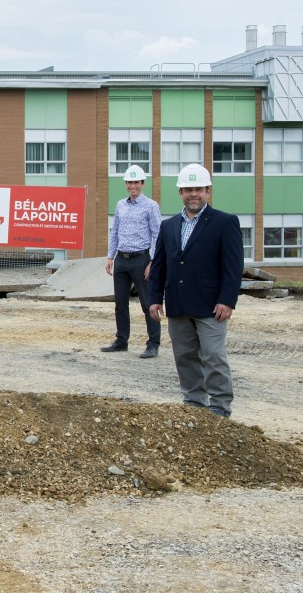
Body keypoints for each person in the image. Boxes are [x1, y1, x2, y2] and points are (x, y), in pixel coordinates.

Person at [149, 164, 243, 418]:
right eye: (188, 189)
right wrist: (155, 299)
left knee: (213, 356)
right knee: (185, 356)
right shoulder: (168, 226)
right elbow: (159, 265)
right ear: (180, 192)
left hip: (211, 306)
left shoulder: (225, 222)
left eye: (198, 189)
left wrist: (227, 300)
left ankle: (220, 406)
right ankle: (194, 402)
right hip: (178, 304)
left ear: (208, 191)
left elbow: (233, 267)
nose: (193, 194)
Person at [101, 165, 162, 358]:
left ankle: (153, 343)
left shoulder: (151, 205)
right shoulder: (120, 205)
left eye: (136, 182)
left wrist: (153, 261)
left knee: (147, 303)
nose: (132, 186)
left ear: (142, 183)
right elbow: (115, 232)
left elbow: (157, 234)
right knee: (120, 303)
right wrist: (110, 256)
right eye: (129, 182)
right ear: (126, 184)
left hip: (142, 259)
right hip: (122, 259)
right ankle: (121, 341)